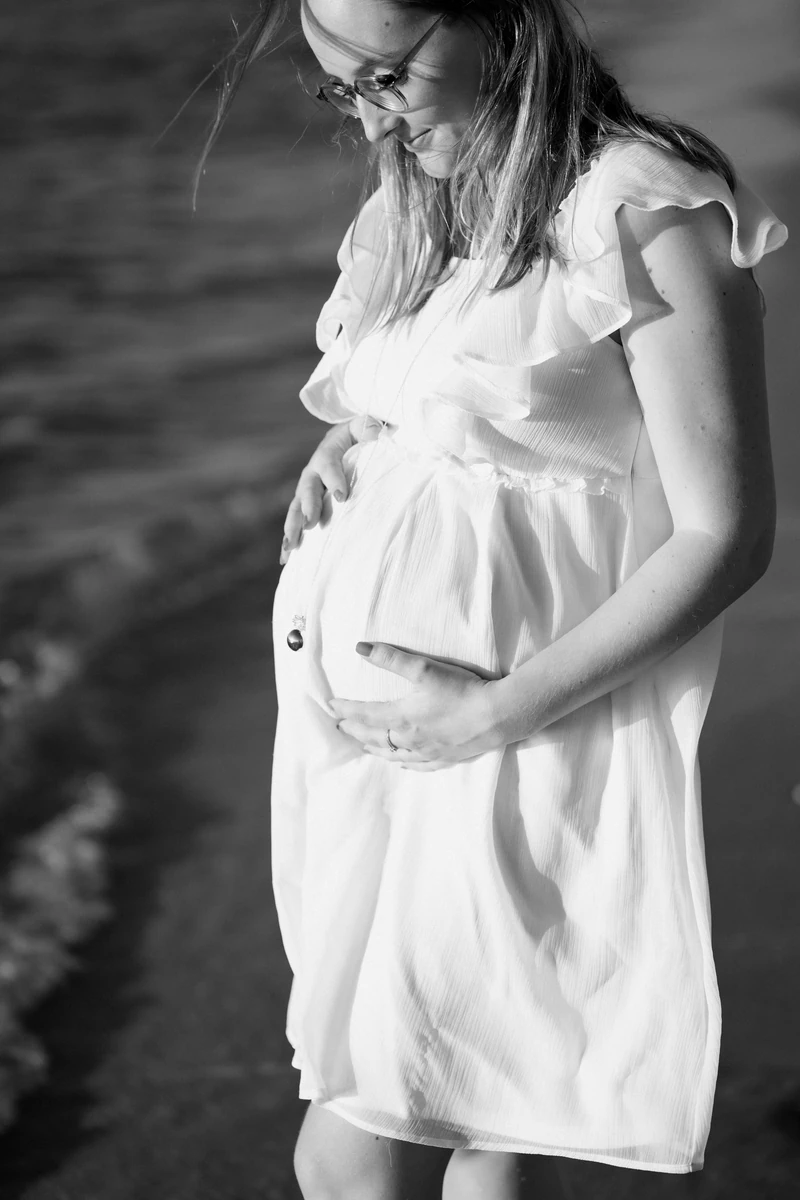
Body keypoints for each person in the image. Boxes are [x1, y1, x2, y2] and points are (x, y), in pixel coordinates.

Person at [201, 1, 788, 1196]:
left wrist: (496, 715)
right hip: (370, 757)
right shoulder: (415, 199)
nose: (371, 113)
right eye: (340, 88)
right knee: (473, 1115)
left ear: (499, 17)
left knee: (357, 1146)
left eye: (387, 73)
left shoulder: (638, 212)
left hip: (504, 737)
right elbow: (442, 399)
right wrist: (352, 447)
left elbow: (725, 534)